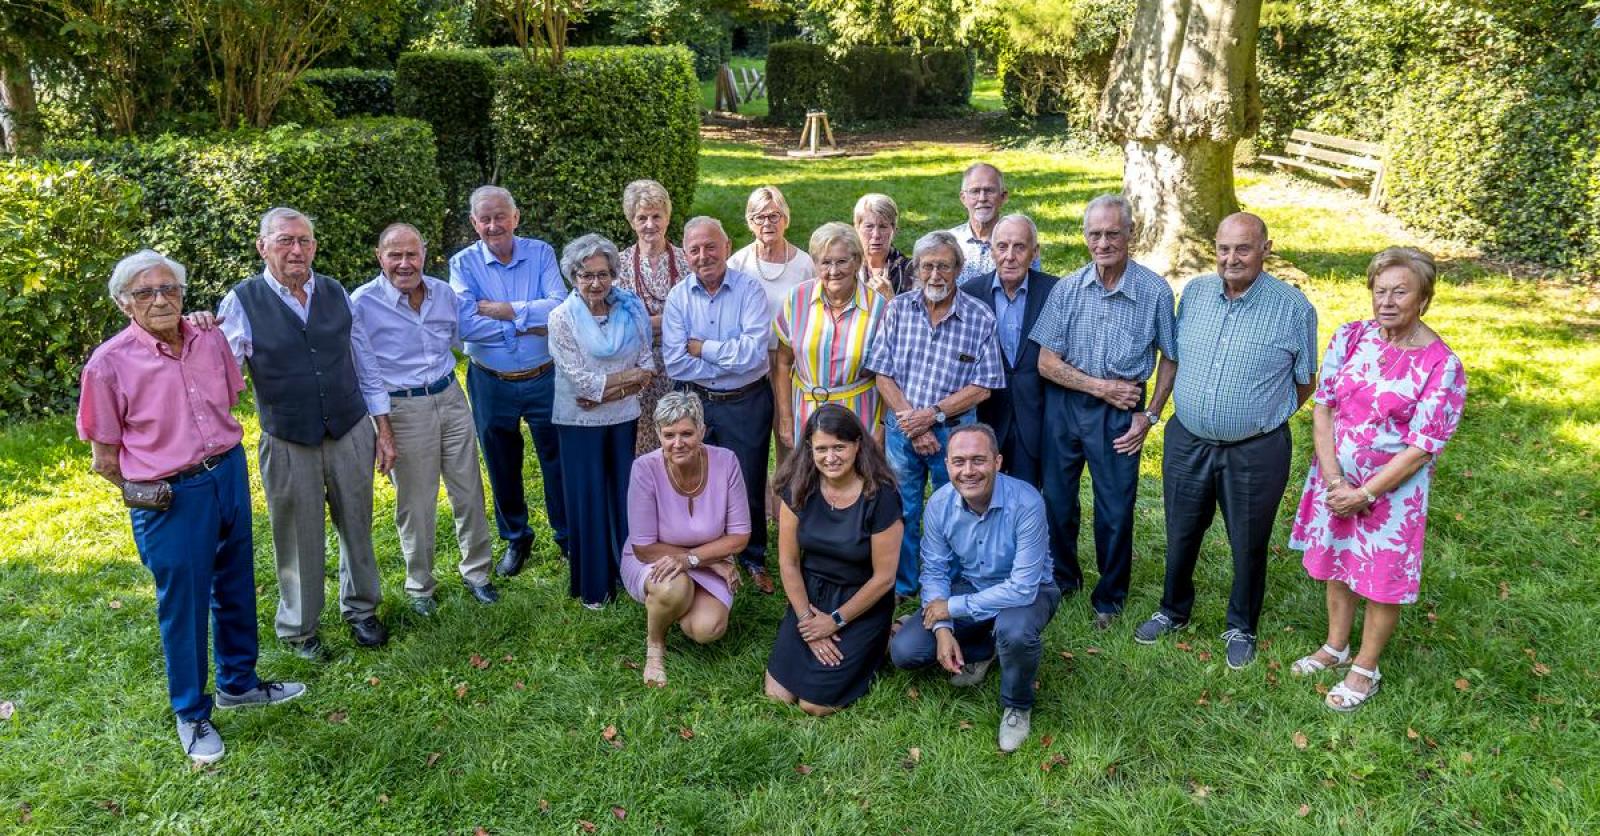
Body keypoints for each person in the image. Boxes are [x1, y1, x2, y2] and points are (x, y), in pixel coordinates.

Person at [80, 250, 306, 764]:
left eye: (169, 289)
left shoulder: (209, 339)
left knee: (234, 583)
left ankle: (239, 684)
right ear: (124, 304)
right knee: (182, 606)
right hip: (170, 495)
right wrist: (153, 486)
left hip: (226, 472)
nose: (160, 299)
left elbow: (228, 400)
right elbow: (104, 458)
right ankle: (192, 712)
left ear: (182, 293)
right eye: (145, 292)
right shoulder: (108, 364)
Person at [1133, 212, 1318, 669]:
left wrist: (1261, 418)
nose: (1231, 258)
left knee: (1248, 540)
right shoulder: (1194, 294)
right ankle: (1173, 608)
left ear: (1265, 250)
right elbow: (1173, 358)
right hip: (1188, 440)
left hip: (1256, 449)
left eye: (1243, 249)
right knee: (1180, 530)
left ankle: (1241, 624)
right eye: (1223, 248)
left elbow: (1305, 382)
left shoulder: (1294, 309)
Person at [1287, 247, 1466, 711]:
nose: (1386, 301)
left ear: (1424, 299)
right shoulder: (1349, 337)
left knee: (1380, 580)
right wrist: (1334, 482)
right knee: (1338, 562)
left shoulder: (1441, 365)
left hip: (1391, 494)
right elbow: (1323, 407)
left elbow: (1423, 446)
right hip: (1335, 479)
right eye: (1379, 290)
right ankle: (1335, 646)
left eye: (1400, 292)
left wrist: (1364, 492)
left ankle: (1365, 668)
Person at [217, 207, 391, 659]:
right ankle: (300, 627)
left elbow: (365, 363)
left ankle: (362, 609)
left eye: (305, 241)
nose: (297, 250)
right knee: (296, 534)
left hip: (349, 428)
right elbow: (223, 376)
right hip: (289, 436)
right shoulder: (242, 301)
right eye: (284, 241)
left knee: (357, 523)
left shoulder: (335, 292)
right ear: (262, 246)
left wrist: (382, 427)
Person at [1031, 196, 1176, 630]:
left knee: (1114, 507)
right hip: (1066, 404)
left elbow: (1170, 358)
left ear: (1130, 233)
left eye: (1113, 233)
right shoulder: (1068, 288)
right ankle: (1063, 576)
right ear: (1085, 238)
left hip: (1122, 412)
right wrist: (1100, 388)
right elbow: (1046, 363)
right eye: (1095, 234)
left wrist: (1148, 416)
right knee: (1056, 500)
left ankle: (1109, 597)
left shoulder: (1154, 291)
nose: (1104, 242)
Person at [350, 223, 499, 616]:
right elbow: (365, 372)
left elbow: (460, 337)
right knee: (415, 502)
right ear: (379, 257)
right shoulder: (362, 304)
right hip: (403, 408)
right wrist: (383, 428)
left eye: (411, 254)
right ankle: (420, 586)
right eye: (394, 255)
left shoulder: (443, 294)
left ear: (424, 254)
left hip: (450, 396)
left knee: (468, 490)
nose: (404, 263)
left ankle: (478, 574)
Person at [889, 424, 1059, 753]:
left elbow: (1023, 587)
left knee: (1015, 630)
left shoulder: (1026, 502)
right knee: (906, 650)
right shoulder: (939, 503)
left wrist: (951, 608)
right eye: (959, 461)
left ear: (997, 461)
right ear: (948, 464)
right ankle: (984, 649)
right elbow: (935, 569)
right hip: (973, 584)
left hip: (1031, 591)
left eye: (978, 460)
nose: (968, 471)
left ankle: (1017, 704)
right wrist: (941, 628)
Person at [865, 230, 1005, 598]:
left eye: (944, 266)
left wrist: (932, 416)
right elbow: (883, 373)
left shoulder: (980, 317)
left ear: (958, 269)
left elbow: (983, 385)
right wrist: (913, 421)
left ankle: (952, 585)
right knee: (904, 510)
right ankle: (905, 584)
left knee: (958, 510)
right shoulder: (898, 309)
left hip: (956, 435)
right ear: (916, 269)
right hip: (902, 429)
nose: (935, 275)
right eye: (927, 266)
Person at [449, 185, 570, 578]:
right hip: (490, 380)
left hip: (545, 376)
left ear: (515, 218)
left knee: (557, 459)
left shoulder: (541, 253)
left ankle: (567, 536)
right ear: (473, 222)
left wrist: (504, 311)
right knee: (500, 461)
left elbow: (558, 309)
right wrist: (524, 323)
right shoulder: (463, 264)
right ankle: (517, 537)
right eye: (484, 218)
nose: (493, 225)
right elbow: (465, 323)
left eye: (501, 216)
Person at [662, 216, 778, 595]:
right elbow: (675, 361)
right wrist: (719, 355)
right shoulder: (679, 296)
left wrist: (702, 347)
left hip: (746, 401)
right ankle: (707, 554)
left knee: (747, 478)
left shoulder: (750, 291)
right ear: (685, 253)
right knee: (697, 479)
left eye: (711, 246)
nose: (703, 255)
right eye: (694, 249)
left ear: (727, 246)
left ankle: (753, 556)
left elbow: (752, 354)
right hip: (696, 402)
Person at [764, 404, 902, 716]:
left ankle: (884, 640)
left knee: (815, 705)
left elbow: (884, 578)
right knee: (777, 695)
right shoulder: (797, 487)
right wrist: (806, 621)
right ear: (810, 448)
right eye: (822, 448)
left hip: (861, 598)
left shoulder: (880, 496)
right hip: (811, 596)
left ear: (857, 445)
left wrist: (835, 621)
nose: (831, 457)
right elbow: (788, 562)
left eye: (839, 447)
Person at [548, 233, 656, 609]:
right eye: (587, 275)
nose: (596, 283)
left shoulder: (631, 308)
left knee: (626, 496)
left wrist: (610, 391)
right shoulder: (561, 318)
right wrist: (625, 381)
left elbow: (647, 366)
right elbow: (579, 380)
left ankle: (632, 576)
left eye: (603, 274)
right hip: (578, 424)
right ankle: (596, 585)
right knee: (589, 498)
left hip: (623, 415)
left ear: (613, 274)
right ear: (573, 277)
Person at [620, 392, 752, 685]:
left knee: (707, 629)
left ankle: (678, 603)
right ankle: (655, 645)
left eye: (686, 433)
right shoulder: (644, 468)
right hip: (654, 558)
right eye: (668, 435)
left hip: (706, 557)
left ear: (702, 432)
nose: (677, 443)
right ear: (658, 434)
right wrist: (708, 562)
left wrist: (693, 560)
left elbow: (740, 536)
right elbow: (644, 547)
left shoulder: (726, 462)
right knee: (672, 587)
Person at [958, 213, 1059, 486]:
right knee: (985, 499)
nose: (1010, 256)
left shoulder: (1056, 291)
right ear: (991, 251)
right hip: (986, 415)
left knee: (1041, 502)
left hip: (1040, 415)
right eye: (1002, 246)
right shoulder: (969, 294)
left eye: (1020, 247)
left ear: (1034, 252)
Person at [772, 222, 889, 447]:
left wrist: (881, 427)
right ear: (815, 264)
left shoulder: (879, 309)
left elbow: (887, 374)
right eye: (825, 262)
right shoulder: (796, 299)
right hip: (806, 416)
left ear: (857, 261)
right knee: (808, 480)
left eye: (842, 261)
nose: (834, 271)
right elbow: (783, 363)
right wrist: (786, 419)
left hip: (859, 418)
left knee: (856, 480)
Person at [616, 178, 692, 455]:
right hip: (638, 372)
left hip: (681, 369)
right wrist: (672, 321)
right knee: (641, 447)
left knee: (681, 442)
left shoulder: (687, 261)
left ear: (667, 218)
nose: (650, 224)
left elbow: (695, 318)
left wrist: (645, 323)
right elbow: (617, 324)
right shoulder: (620, 265)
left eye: (656, 216)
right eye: (642, 217)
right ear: (631, 221)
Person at [727, 185, 816, 327]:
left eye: (774, 216)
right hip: (747, 348)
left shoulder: (805, 264)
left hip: (791, 348)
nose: (767, 223)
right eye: (759, 218)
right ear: (750, 223)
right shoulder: (736, 264)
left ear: (785, 220)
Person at [945, 163, 1038, 284]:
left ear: (1003, 197)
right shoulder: (948, 243)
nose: (982, 198)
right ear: (963, 198)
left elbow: (1033, 288)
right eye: (975, 191)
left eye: (989, 191)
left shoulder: (1021, 243)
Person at [853, 193, 914, 299]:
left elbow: (916, 314)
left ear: (894, 231)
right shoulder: (846, 266)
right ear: (857, 229)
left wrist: (890, 299)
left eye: (883, 227)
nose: (876, 235)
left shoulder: (910, 271)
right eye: (869, 226)